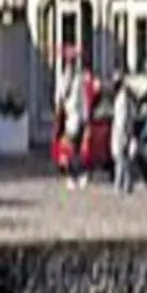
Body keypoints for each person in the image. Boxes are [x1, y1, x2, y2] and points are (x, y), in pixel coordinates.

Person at [56, 53, 89, 191]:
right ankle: (74, 176)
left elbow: (82, 101)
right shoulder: (66, 81)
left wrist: (85, 118)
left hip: (75, 119)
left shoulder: (76, 80)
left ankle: (76, 176)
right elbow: (60, 98)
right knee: (71, 150)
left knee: (74, 150)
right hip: (70, 119)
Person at [111, 74, 139, 196]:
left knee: (121, 160)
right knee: (125, 159)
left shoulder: (122, 99)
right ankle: (127, 184)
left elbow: (122, 118)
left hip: (122, 132)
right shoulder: (125, 98)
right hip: (125, 131)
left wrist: (123, 133)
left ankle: (120, 184)